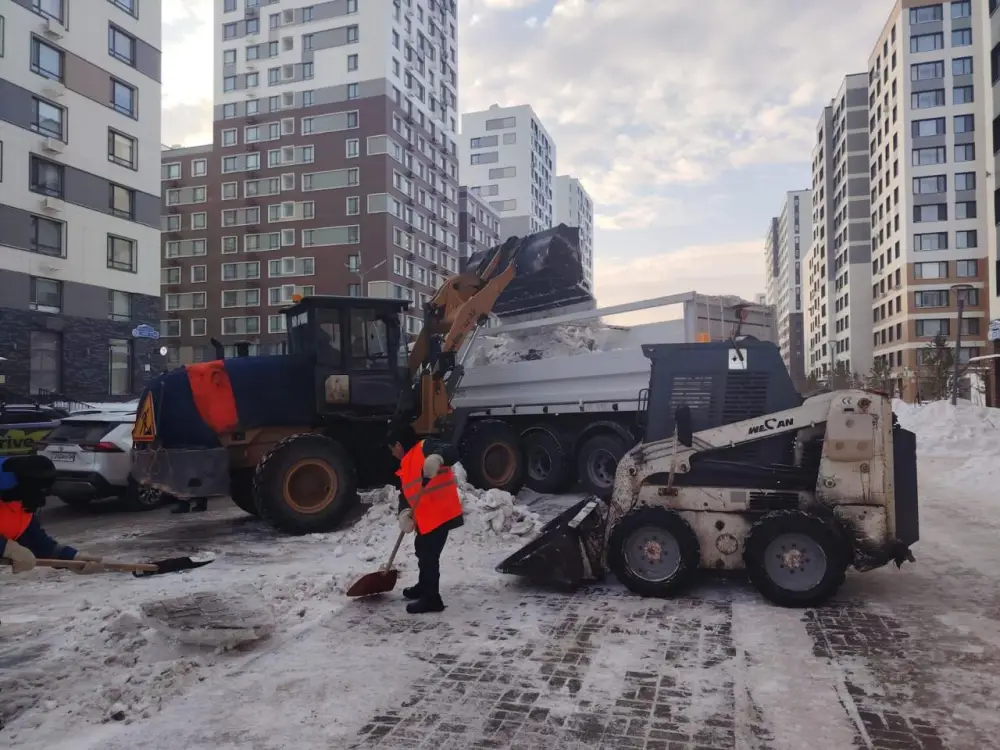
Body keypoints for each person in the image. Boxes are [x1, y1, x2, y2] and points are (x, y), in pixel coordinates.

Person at [387, 423, 463, 614]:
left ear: (398, 444)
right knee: (422, 550)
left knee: (429, 556)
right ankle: (424, 586)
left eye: (392, 448)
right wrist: (404, 512)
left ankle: (432, 599)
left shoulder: (424, 447)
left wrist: (437, 457)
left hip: (441, 512)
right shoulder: (405, 464)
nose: (392, 453)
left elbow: (451, 450)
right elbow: (406, 494)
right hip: (426, 518)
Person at [0, 455, 104, 574]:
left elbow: (38, 543)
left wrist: (73, 558)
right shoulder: (11, 494)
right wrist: (6, 548)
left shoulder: (20, 505)